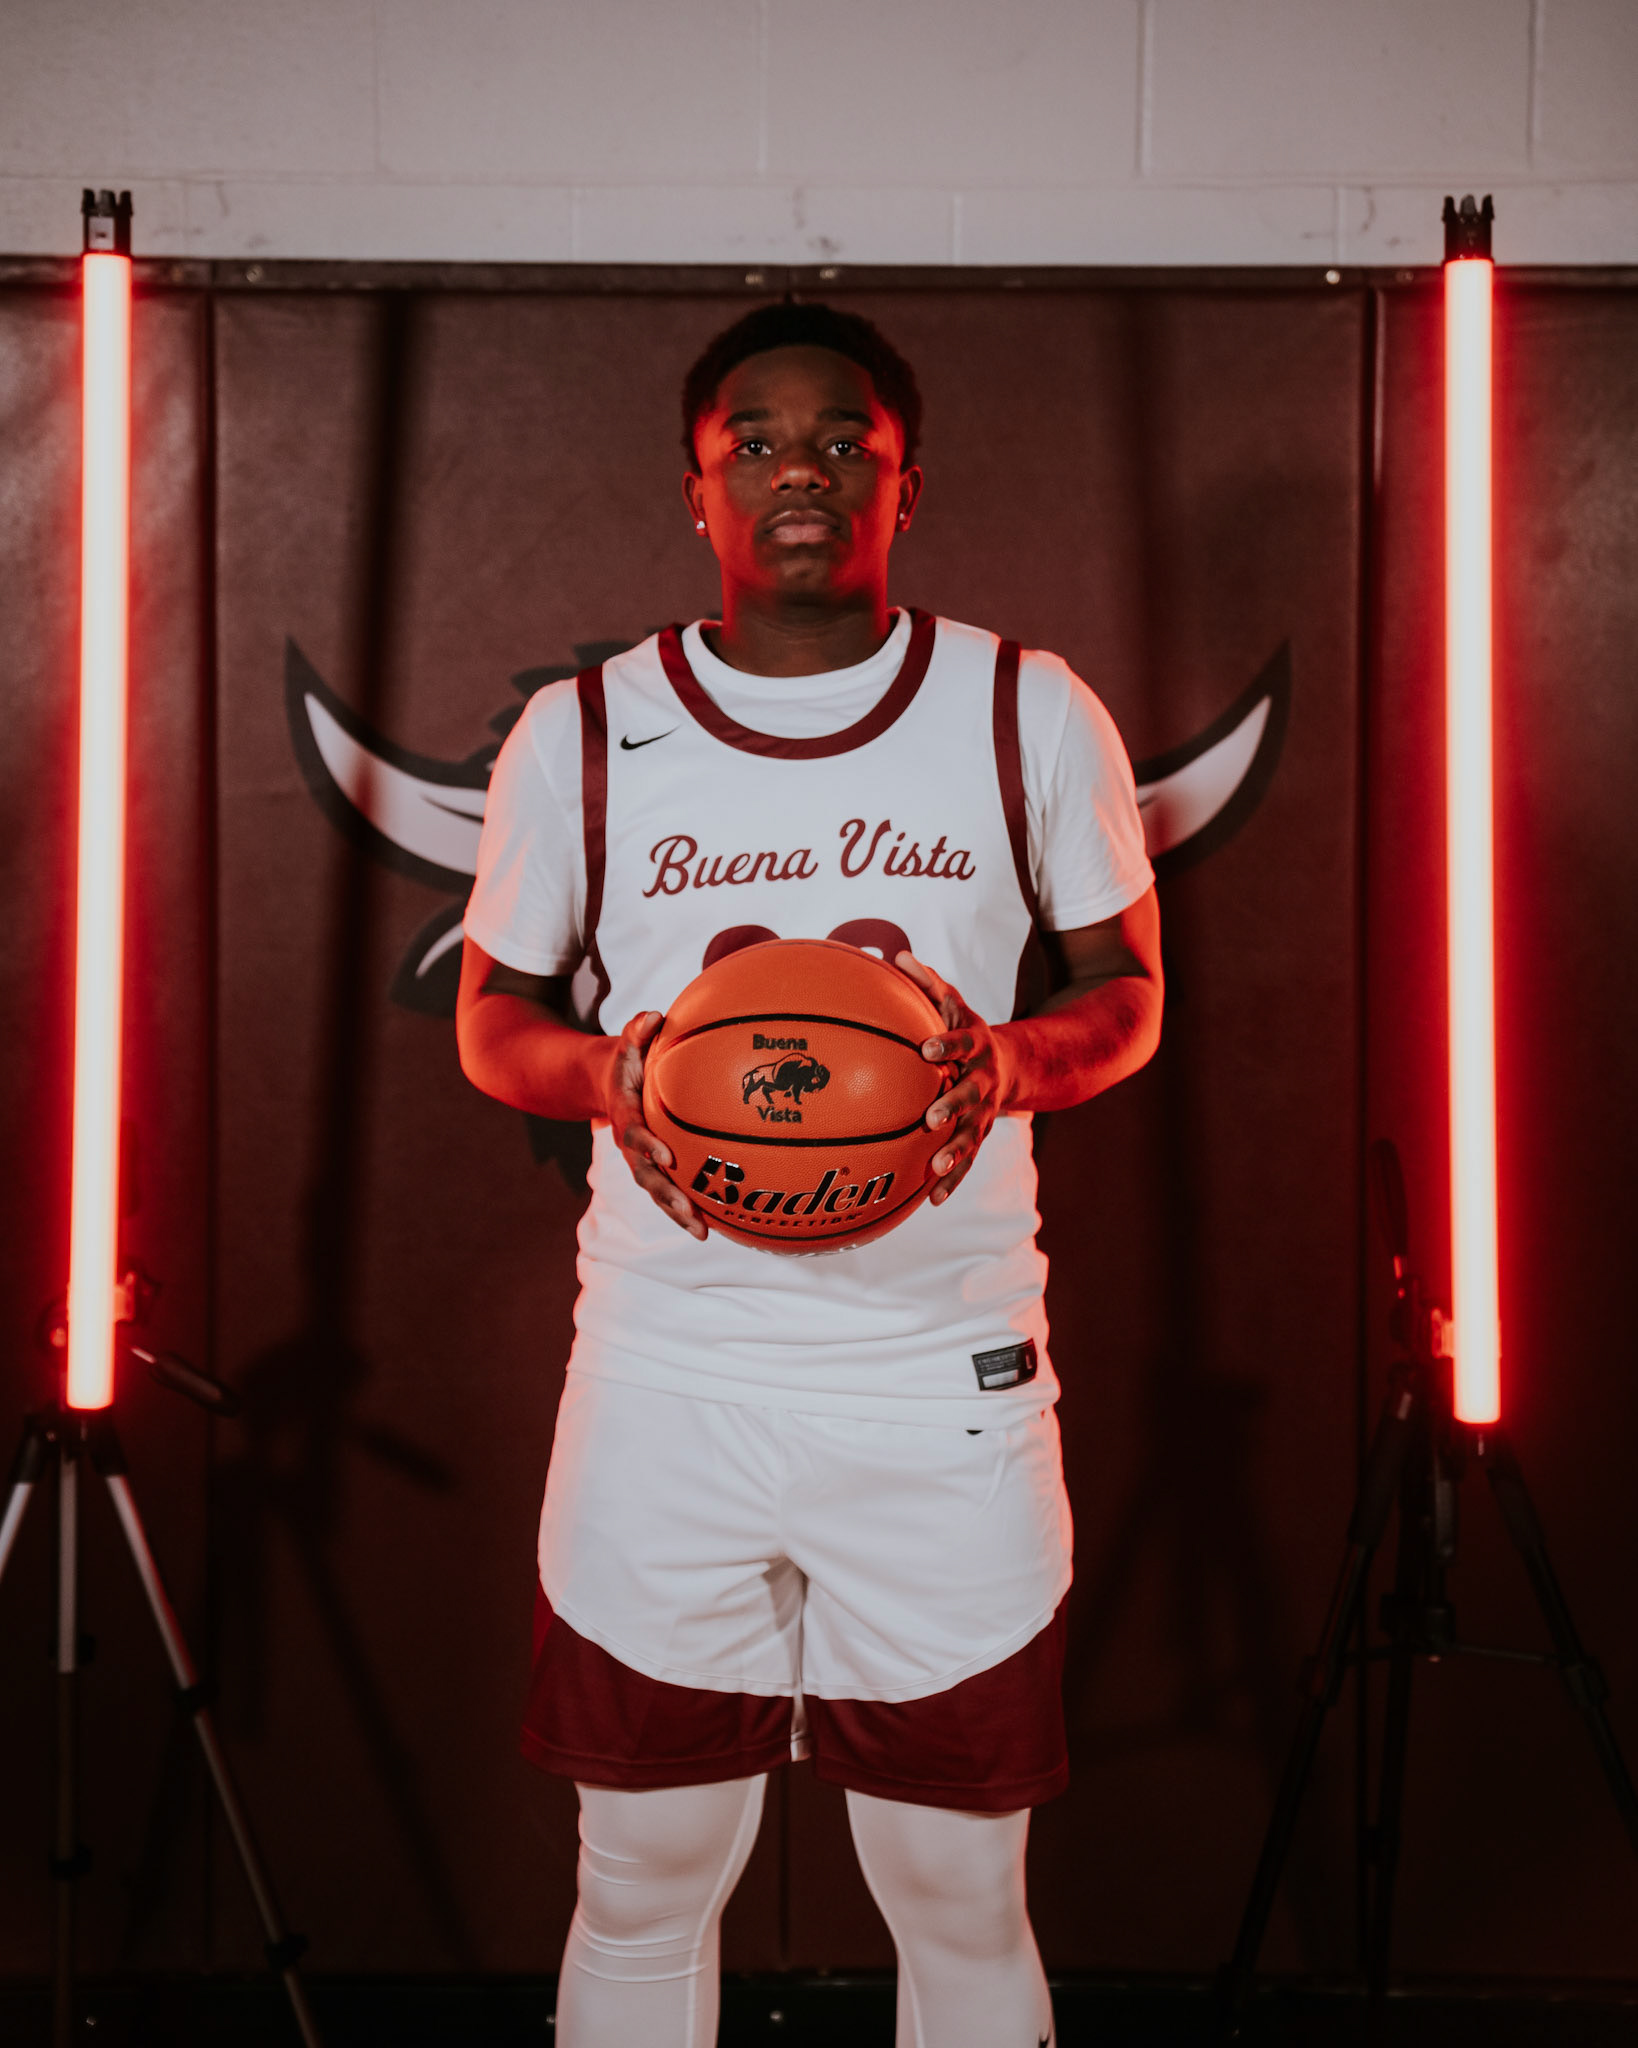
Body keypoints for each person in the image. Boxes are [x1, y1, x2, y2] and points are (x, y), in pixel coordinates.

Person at [456, 301, 1162, 2048]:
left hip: (938, 1377)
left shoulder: (1024, 707)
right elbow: (493, 1020)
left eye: (846, 442)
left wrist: (1012, 1063)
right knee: (638, 1872)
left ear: (905, 484)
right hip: (668, 1370)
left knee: (957, 1885)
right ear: (694, 485)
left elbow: (1126, 990)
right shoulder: (585, 730)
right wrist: (614, 1078)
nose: (801, 472)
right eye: (755, 442)